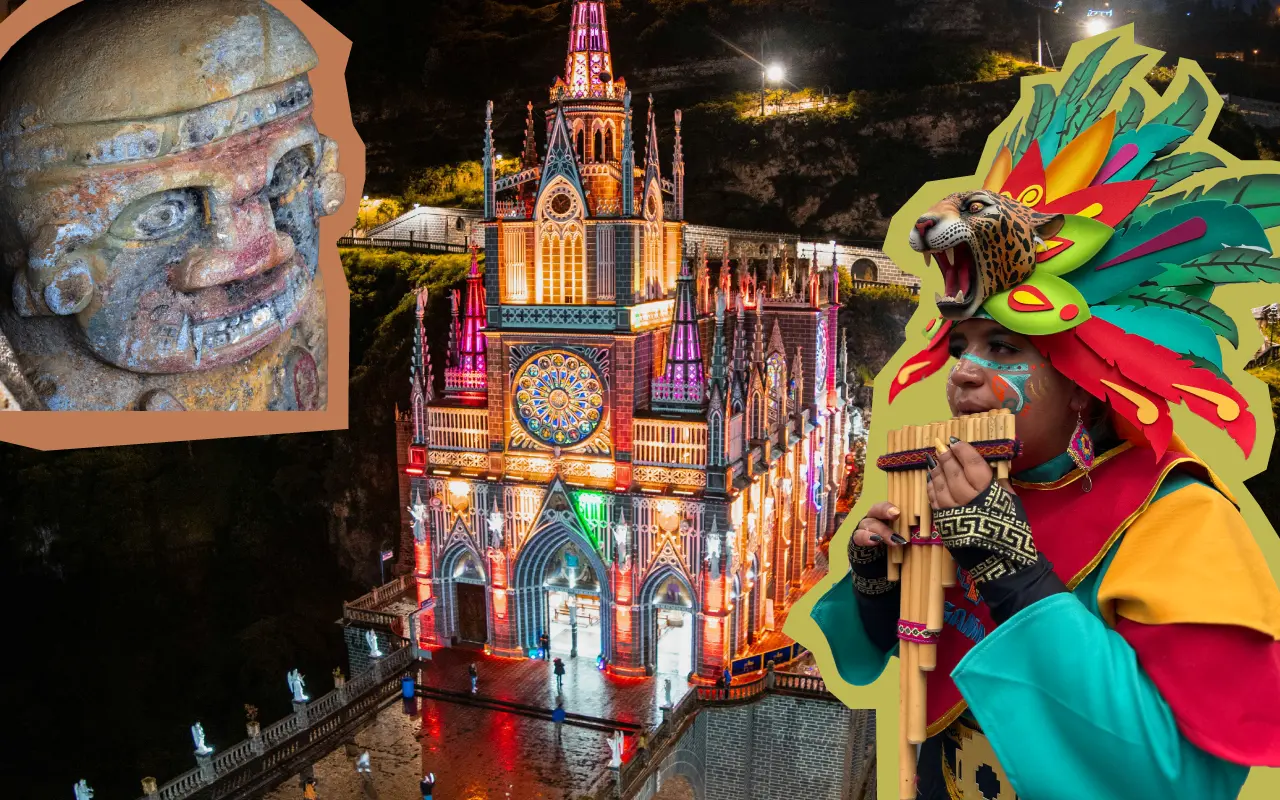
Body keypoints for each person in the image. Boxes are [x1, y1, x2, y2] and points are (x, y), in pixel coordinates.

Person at [810, 30, 1280, 800]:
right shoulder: (977, 487)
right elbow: (920, 652)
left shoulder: (1183, 526)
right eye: (960, 342)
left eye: (1003, 345)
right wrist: (877, 584)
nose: (962, 373)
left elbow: (1174, 780)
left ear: (1086, 377)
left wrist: (1014, 573)